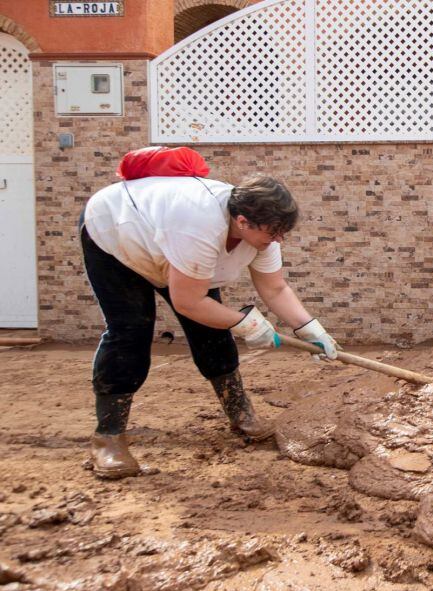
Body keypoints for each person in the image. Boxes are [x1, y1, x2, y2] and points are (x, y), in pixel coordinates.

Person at [81, 149, 338, 479]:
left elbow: (275, 289)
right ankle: (109, 438)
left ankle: (241, 414)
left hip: (173, 248)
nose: (278, 240)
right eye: (273, 233)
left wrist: (310, 329)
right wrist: (245, 324)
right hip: (117, 237)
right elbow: (188, 302)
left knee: (213, 332)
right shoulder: (198, 225)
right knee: (130, 331)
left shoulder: (259, 233)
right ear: (242, 222)